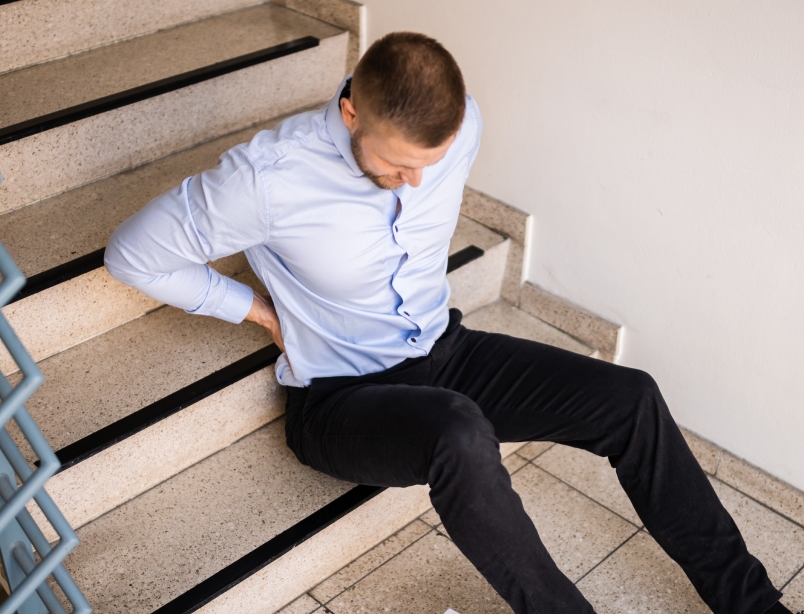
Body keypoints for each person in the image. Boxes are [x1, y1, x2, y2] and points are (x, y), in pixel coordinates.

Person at [105, 32, 795, 614]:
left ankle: (756, 607)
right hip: (340, 397)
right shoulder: (267, 178)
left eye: (427, 166)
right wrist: (255, 310)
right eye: (397, 164)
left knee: (631, 398)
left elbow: (426, 161)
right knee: (458, 432)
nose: (415, 182)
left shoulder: (464, 125)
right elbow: (134, 253)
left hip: (444, 349)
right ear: (350, 112)